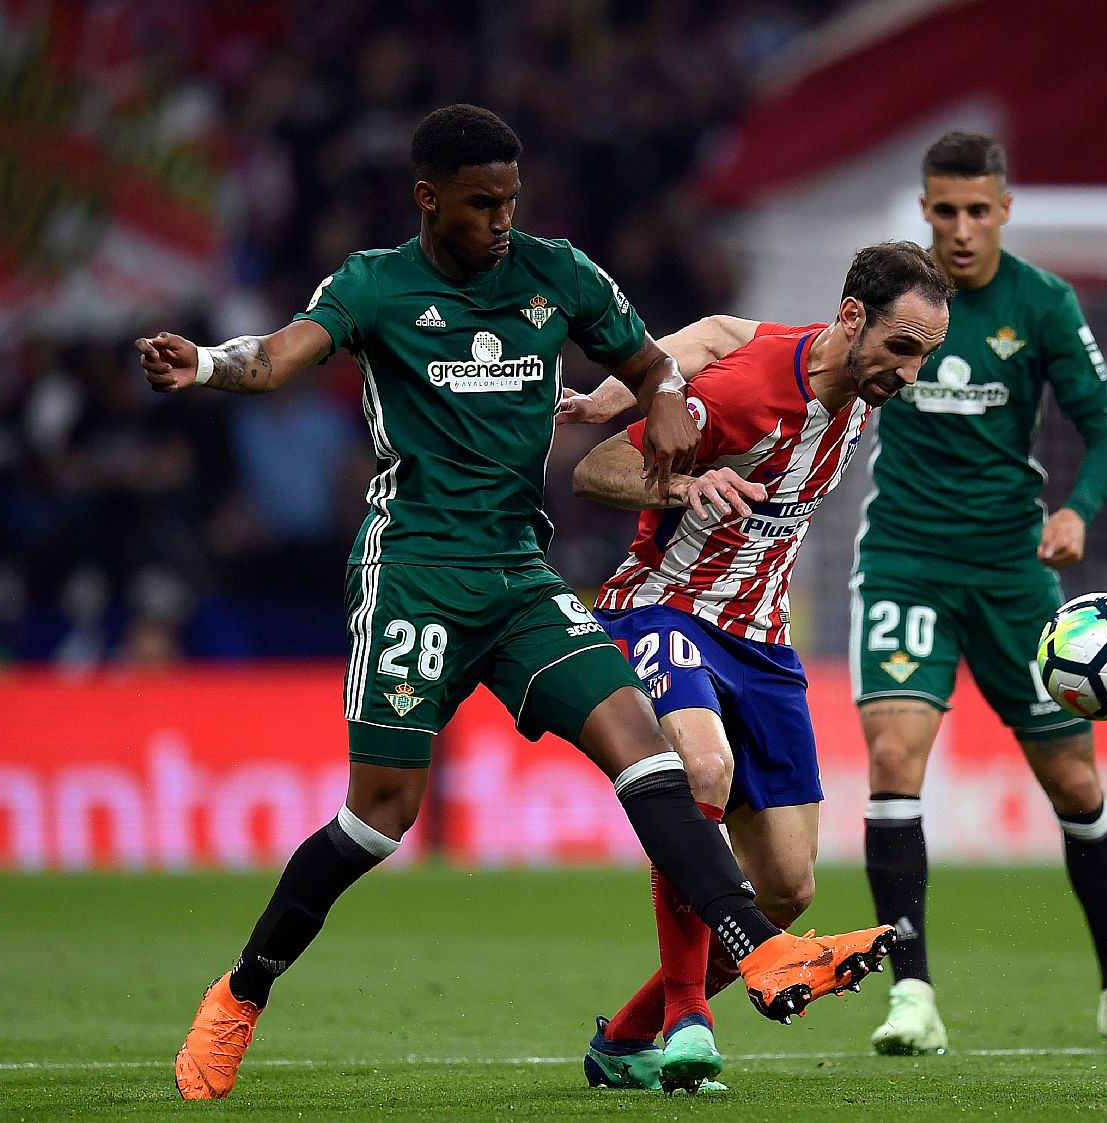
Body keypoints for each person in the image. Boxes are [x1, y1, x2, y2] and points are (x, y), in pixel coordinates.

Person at [134, 104, 894, 1102]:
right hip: (411, 571)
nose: (501, 220)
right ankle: (240, 991)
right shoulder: (373, 284)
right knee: (379, 817)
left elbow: (650, 357)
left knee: (653, 757)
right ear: (428, 199)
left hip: (518, 576)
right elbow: (280, 356)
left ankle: (755, 955)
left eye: (511, 201)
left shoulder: (558, 274)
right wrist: (207, 365)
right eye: (481, 203)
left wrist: (663, 392)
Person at [565, 242, 952, 1093]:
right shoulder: (746, 397)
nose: (909, 374)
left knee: (786, 888)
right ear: (853, 318)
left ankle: (623, 1041)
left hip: (765, 644)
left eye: (925, 356)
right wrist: (678, 485)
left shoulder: (845, 373)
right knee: (702, 763)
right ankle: (686, 1020)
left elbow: (716, 328)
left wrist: (616, 383)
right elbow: (597, 469)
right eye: (902, 348)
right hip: (665, 610)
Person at [850, 132, 1107, 1054]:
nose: (960, 229)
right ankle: (910, 993)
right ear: (924, 210)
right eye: (944, 210)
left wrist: (1076, 511)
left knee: (1074, 778)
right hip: (907, 557)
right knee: (891, 758)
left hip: (1011, 572)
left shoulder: (1041, 303)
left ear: (1004, 208)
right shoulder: (899, 302)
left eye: (977, 210)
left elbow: (1105, 433)